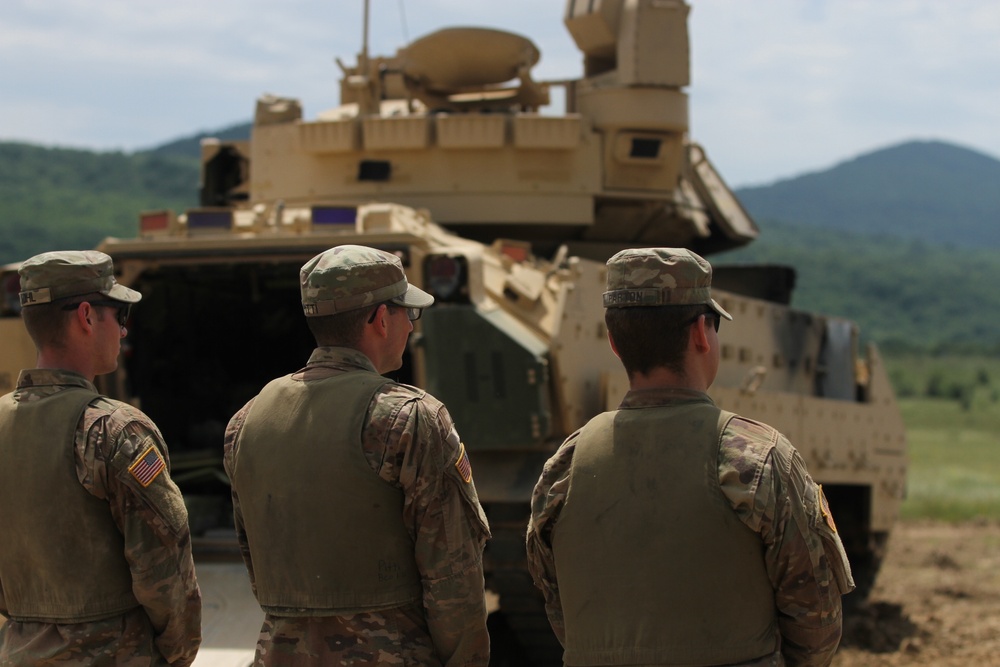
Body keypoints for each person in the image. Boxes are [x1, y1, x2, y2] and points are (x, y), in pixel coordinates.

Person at [526, 247, 855, 667]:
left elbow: (558, 604)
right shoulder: (759, 457)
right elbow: (816, 619)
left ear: (613, 341)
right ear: (701, 332)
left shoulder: (566, 464)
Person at [223, 244, 491, 666]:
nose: (411, 327)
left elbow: (254, 556)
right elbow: (453, 577)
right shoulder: (409, 417)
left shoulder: (247, 420)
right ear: (381, 319)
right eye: (409, 313)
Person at [0, 250, 202, 665]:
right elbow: (163, 568)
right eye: (120, 316)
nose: (124, 332)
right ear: (87, 317)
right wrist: (176, 653)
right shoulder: (114, 429)